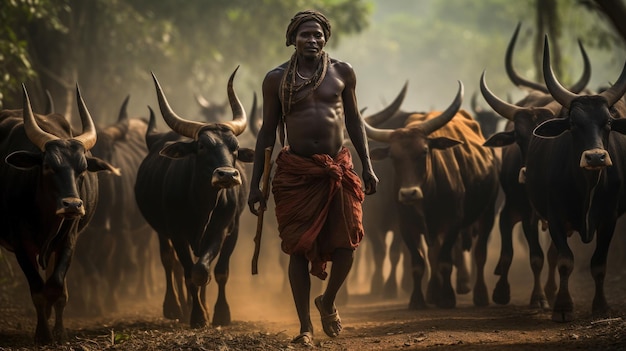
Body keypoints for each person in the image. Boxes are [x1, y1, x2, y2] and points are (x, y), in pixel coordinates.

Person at [247, 9, 378, 346]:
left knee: (348, 244)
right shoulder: (276, 79)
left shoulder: (342, 72)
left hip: (338, 167)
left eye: (318, 35)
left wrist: (368, 164)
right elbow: (265, 134)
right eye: (305, 34)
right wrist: (254, 185)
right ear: (293, 39)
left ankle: (328, 301)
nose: (313, 40)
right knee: (297, 250)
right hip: (297, 173)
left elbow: (354, 121)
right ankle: (305, 327)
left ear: (326, 39)